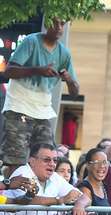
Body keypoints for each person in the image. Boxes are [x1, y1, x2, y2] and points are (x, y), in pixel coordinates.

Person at [1, 18, 78, 173]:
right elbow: (9, 71)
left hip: (42, 111)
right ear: (47, 24)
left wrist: (69, 79)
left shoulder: (64, 53)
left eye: (62, 24)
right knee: (15, 158)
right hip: (19, 107)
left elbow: (74, 92)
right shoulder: (31, 41)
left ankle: (38, 193)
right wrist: (38, 70)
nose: (59, 27)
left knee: (47, 157)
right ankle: (11, 193)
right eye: (55, 23)